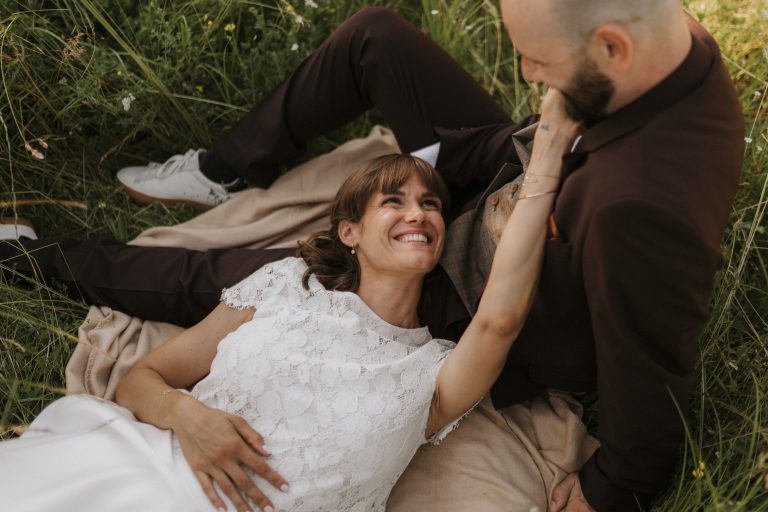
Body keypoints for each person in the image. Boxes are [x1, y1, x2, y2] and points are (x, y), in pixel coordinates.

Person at [0, 1, 744, 510]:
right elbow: (521, 140)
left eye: (536, 62)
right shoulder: (662, 50)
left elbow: (652, 365)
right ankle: (229, 164)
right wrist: (418, 179)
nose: (527, 77)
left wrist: (615, 487)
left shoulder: (640, 209)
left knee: (218, 277)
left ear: (612, 48)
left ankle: (34, 256)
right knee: (377, 39)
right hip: (486, 184)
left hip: (469, 279)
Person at [0, 96, 578, 512]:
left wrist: (546, 167)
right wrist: (187, 415)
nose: (417, 213)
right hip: (153, 475)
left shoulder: (437, 372)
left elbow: (500, 319)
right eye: (392, 201)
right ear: (348, 232)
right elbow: (143, 378)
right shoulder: (285, 285)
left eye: (431, 204)